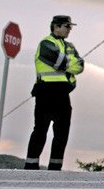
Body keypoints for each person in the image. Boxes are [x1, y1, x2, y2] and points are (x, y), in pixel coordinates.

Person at [24, 15, 84, 170]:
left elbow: (80, 66)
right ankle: (30, 167)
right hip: (46, 92)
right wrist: (68, 63)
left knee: (62, 132)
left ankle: (55, 168)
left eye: (70, 27)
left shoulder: (69, 46)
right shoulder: (46, 43)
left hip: (63, 94)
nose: (69, 29)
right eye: (67, 26)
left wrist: (67, 63)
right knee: (40, 130)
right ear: (56, 27)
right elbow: (60, 62)